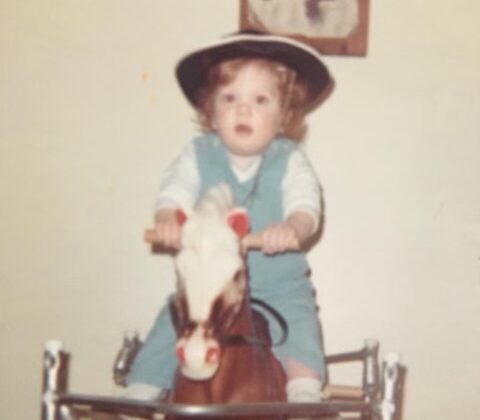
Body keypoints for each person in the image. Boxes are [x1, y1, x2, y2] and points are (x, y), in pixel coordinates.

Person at [125, 30, 333, 404]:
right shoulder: (197, 154)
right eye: (229, 97)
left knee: (301, 327)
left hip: (278, 286)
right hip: (206, 290)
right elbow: (174, 191)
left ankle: (304, 393)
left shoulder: (289, 159)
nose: (243, 109)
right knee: (171, 323)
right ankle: (139, 392)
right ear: (210, 111)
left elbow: (307, 205)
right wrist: (167, 219)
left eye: (260, 99)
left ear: (284, 114)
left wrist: (292, 227)